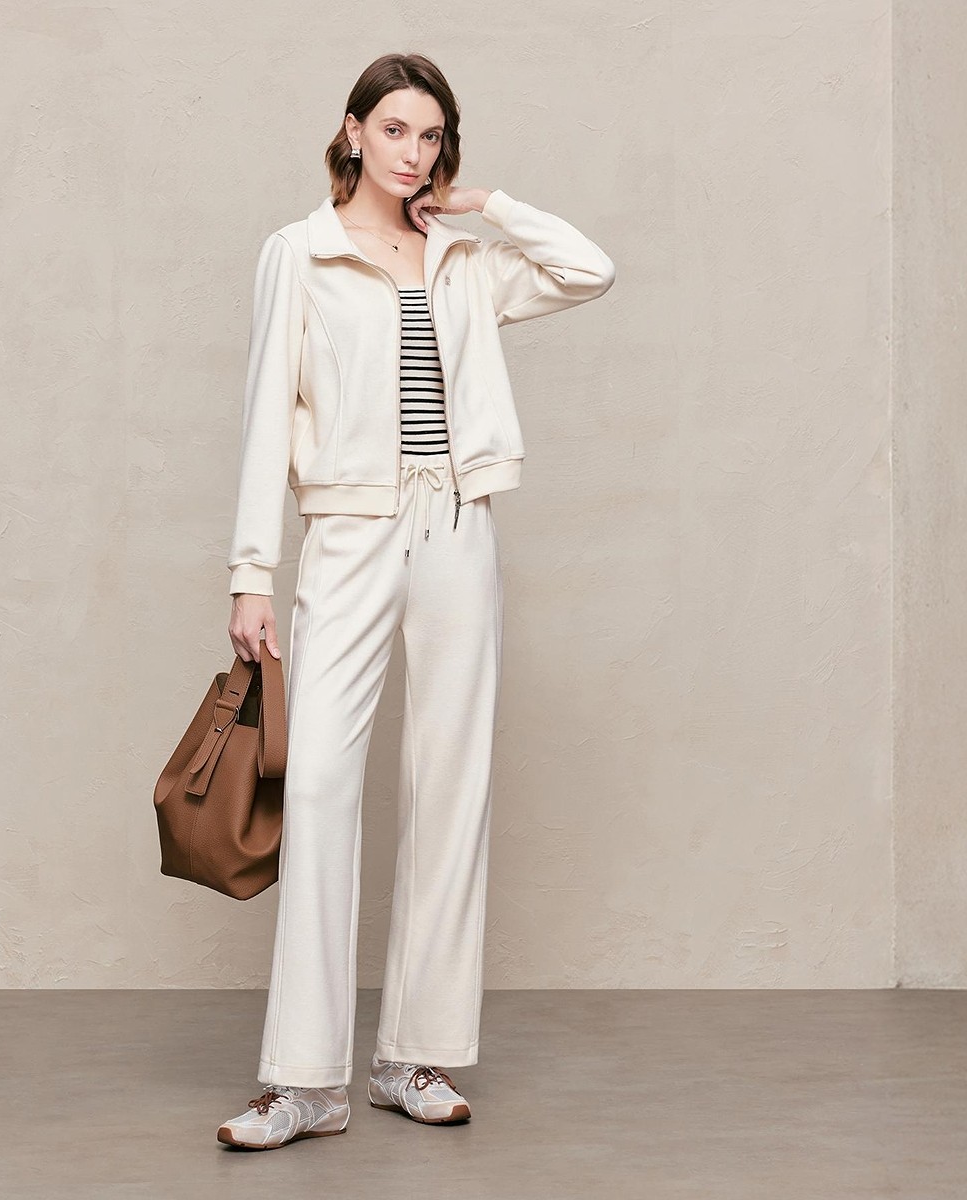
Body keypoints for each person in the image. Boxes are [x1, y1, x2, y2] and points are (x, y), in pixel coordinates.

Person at [216, 52, 615, 1151]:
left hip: (456, 531)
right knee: (320, 785)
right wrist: (252, 571)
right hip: (347, 536)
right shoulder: (300, 253)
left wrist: (489, 206)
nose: (413, 152)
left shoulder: (465, 259)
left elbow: (590, 270)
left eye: (431, 136)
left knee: (451, 785)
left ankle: (411, 1057)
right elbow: (264, 413)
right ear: (352, 132)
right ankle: (304, 1082)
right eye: (394, 129)